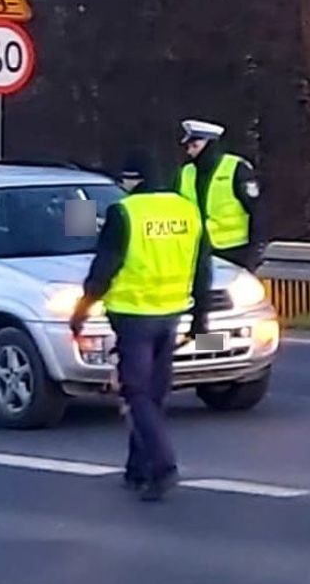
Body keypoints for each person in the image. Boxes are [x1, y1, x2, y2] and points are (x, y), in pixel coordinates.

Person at [70, 151, 211, 502]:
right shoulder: (187, 211)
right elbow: (202, 269)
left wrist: (81, 311)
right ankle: (137, 467)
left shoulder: (125, 212)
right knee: (154, 394)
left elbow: (104, 268)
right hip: (172, 314)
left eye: (125, 179)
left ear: (135, 179)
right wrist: (201, 319)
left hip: (134, 317)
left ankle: (163, 467)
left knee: (135, 393)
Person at [176, 119, 265, 271]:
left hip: (235, 251)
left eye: (195, 146)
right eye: (188, 146)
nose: (190, 151)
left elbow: (257, 211)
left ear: (210, 145)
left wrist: (255, 251)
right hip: (198, 249)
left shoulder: (236, 168)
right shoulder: (186, 172)